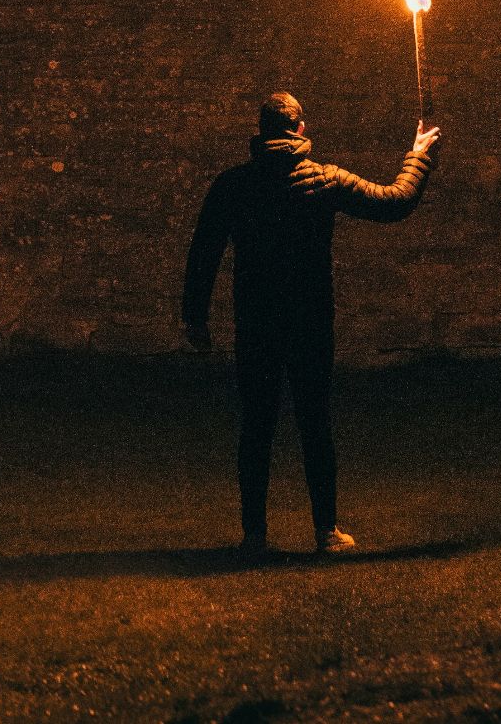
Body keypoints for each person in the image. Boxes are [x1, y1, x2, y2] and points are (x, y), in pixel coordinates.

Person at [182, 92, 439, 559]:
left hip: (256, 323)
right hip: (309, 323)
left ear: (261, 133)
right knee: (315, 423)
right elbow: (395, 202)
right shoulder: (324, 179)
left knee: (256, 426)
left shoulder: (234, 185)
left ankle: (255, 537)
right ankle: (326, 532)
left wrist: (195, 320)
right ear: (299, 130)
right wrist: (418, 157)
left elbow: (203, 254)